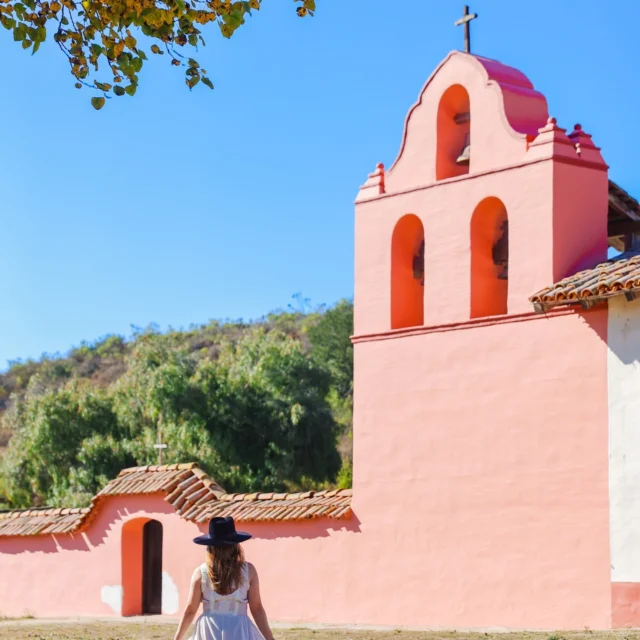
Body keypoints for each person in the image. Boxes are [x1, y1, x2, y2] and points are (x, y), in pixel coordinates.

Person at [174, 516, 275, 640]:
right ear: (235, 546)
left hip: (209, 629)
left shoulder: (200, 573)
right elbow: (257, 609)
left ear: (210, 547)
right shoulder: (249, 571)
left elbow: (190, 610)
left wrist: (177, 638)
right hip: (239, 629)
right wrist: (270, 638)